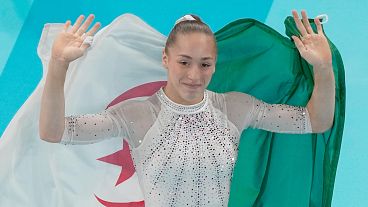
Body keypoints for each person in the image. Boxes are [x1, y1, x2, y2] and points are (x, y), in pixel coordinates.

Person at [39, 10, 335, 206]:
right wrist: (59, 64)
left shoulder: (235, 108)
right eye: (184, 62)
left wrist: (323, 67)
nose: (194, 75)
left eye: (205, 64)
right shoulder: (137, 115)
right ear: (165, 59)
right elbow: (54, 131)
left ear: (215, 65)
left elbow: (315, 120)